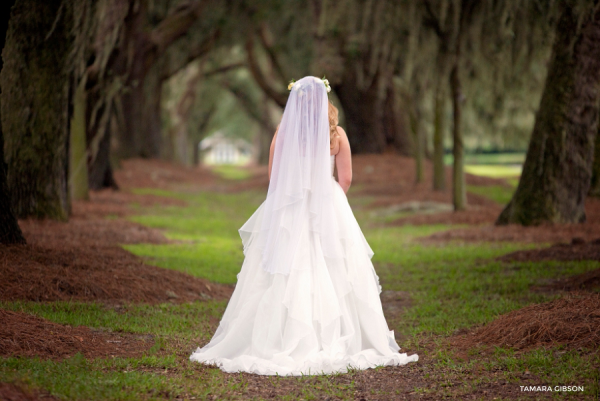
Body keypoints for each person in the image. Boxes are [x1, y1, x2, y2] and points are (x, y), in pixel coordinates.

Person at [190, 76, 418, 376]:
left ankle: (277, 337)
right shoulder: (337, 136)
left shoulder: (283, 133)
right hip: (329, 204)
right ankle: (338, 335)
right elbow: (346, 179)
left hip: (291, 208)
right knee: (336, 268)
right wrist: (329, 202)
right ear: (325, 101)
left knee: (283, 269)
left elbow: (274, 178)